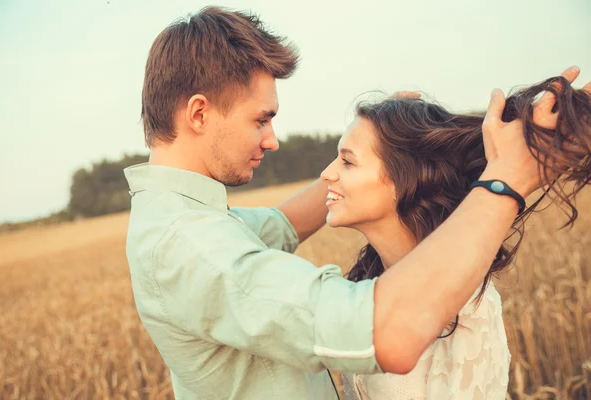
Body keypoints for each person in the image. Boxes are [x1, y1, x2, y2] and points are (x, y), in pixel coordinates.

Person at [123, 6, 590, 399]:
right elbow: (386, 331)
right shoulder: (187, 244)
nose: (272, 140)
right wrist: (506, 180)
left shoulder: (191, 218)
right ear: (199, 113)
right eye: (260, 120)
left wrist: (387, 145)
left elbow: (282, 224)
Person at [319, 80, 591, 399]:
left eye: (347, 161)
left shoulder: (468, 309)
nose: (326, 173)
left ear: (403, 179)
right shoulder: (369, 286)